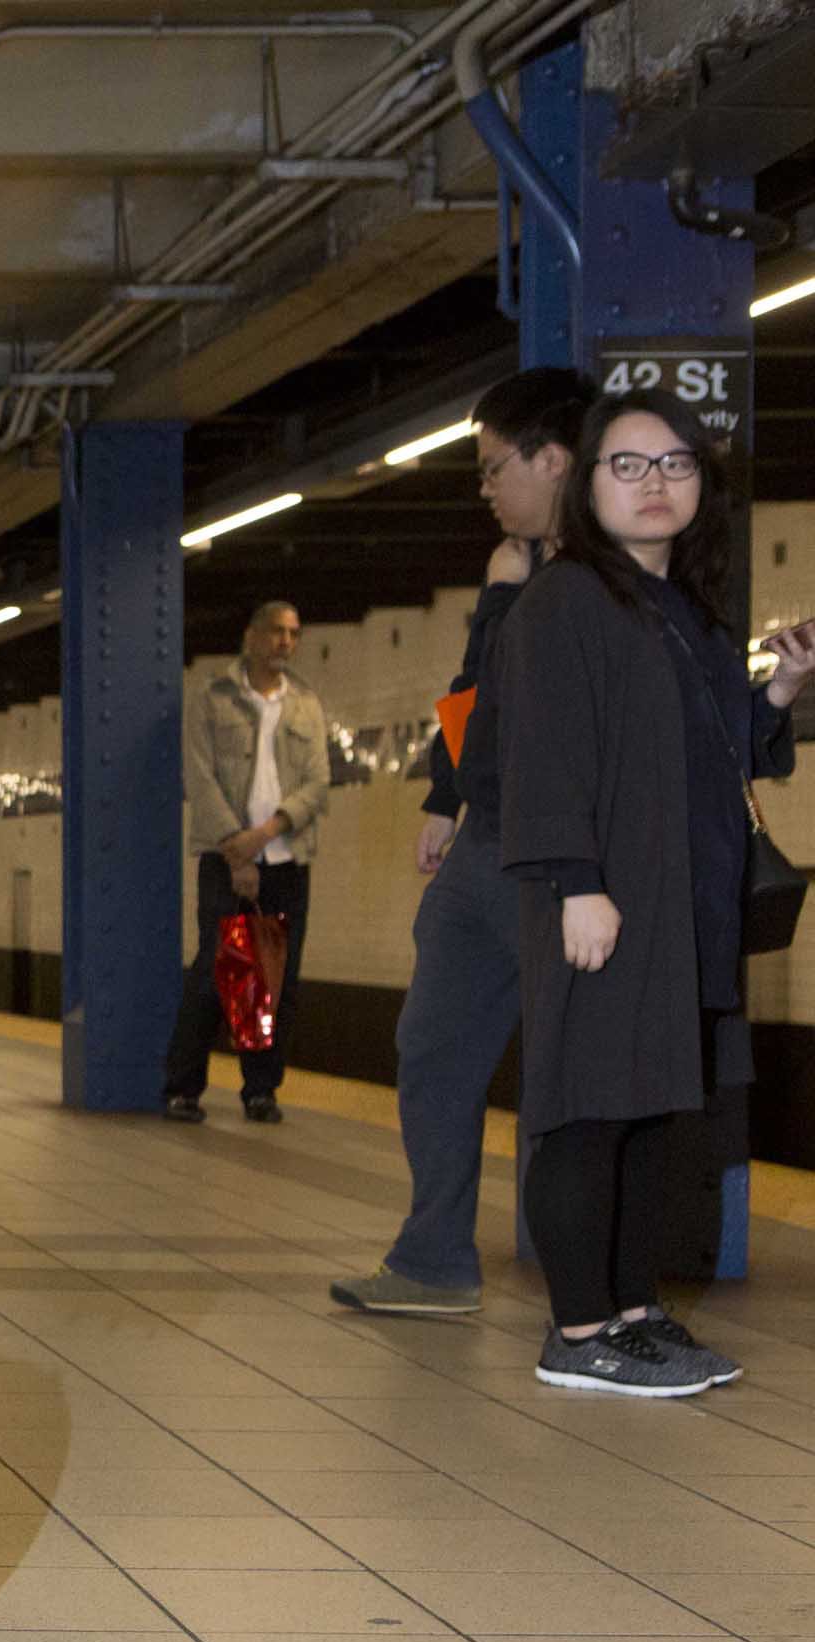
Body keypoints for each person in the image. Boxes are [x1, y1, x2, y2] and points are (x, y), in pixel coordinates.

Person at [499, 389, 810, 1396]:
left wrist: (779, 695)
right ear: (586, 485)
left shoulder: (684, 609)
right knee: (590, 1110)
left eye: (675, 463)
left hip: (683, 910)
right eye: (627, 465)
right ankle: (577, 1329)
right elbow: (542, 754)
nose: (655, 483)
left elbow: (721, 750)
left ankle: (633, 1312)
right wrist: (576, 885)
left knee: (652, 1115)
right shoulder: (566, 598)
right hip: (611, 902)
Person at [335, 369, 593, 1316]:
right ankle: (433, 1257)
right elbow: (477, 693)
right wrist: (444, 797)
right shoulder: (518, 571)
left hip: (559, 853)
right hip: (486, 845)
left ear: (552, 458)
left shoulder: (598, 578)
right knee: (434, 1043)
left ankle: (598, 1288)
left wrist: (502, 596)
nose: (484, 489)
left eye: (494, 469)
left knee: (577, 1069)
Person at [163, 601, 330, 1124]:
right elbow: (200, 775)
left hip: (286, 858)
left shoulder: (306, 704)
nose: (286, 642)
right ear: (251, 636)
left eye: (294, 634)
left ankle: (260, 1089)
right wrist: (237, 846)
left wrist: (266, 834)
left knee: (272, 977)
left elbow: (317, 784)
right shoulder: (212, 698)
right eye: (277, 632)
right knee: (217, 968)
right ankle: (183, 1086)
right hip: (223, 854)